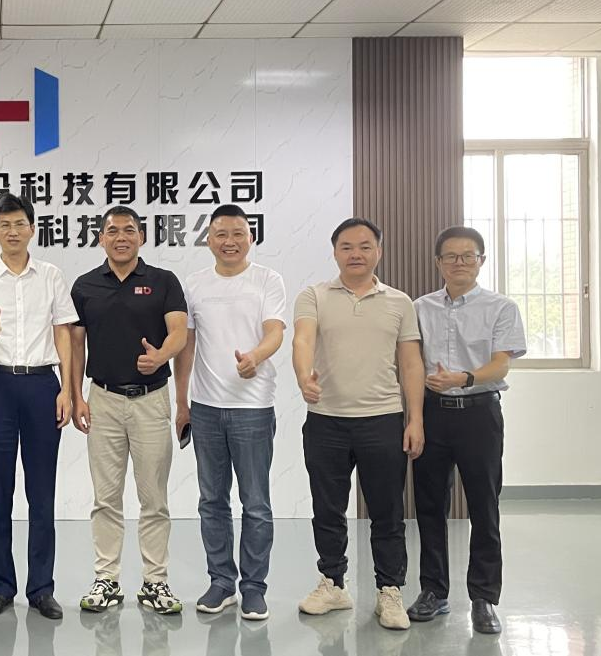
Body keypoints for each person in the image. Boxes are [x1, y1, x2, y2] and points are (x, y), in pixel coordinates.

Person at [292, 217, 425, 631]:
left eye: (365, 246)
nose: (356, 254)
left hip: (382, 420)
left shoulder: (399, 302)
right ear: (335, 252)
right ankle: (333, 583)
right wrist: (303, 376)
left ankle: (390, 590)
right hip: (326, 422)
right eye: (347, 246)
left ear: (378, 252)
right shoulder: (314, 295)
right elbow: (302, 339)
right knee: (327, 509)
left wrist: (415, 419)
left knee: (387, 512)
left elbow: (411, 363)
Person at [69, 206, 189, 615]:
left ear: (141, 237)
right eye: (112, 231)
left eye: (129, 230)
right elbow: (76, 346)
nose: (121, 237)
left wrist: (160, 357)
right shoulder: (85, 286)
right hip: (102, 400)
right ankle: (106, 579)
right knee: (105, 498)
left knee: (154, 498)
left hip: (151, 400)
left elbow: (179, 332)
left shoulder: (163, 281)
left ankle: (156, 582)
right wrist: (76, 395)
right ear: (101, 238)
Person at [0, 194, 76, 620]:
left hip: (43, 385)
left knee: (42, 493)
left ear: (32, 228)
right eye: (4, 225)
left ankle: (42, 589)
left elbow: (63, 332)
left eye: (20, 223)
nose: (13, 231)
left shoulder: (51, 276)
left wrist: (67, 389)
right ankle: (0, 587)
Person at [407, 226, 525, 635]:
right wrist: (415, 416)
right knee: (429, 506)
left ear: (481, 261)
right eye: (450, 256)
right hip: (433, 414)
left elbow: (501, 364)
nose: (459, 263)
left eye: (468, 255)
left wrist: (463, 378)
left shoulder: (501, 307)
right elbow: (410, 362)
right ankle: (433, 591)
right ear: (438, 262)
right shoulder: (419, 307)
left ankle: (484, 598)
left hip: (479, 414)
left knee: (483, 506)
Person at [172, 204, 285, 620]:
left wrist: (255, 356)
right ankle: (221, 582)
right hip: (205, 409)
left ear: (250, 237)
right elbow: (186, 347)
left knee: (255, 503)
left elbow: (275, 331)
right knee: (211, 501)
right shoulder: (194, 284)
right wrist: (181, 402)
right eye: (221, 234)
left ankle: (254, 588)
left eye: (238, 234)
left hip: (252, 407)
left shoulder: (267, 280)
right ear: (208, 240)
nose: (229, 242)